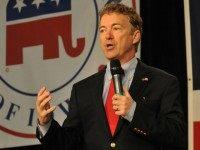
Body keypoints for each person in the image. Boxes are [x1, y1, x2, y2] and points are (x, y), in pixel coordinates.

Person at [36, 3, 186, 150]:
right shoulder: (83, 90)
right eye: (102, 30)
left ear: (135, 36)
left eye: (116, 28)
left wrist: (133, 111)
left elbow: (175, 134)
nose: (107, 36)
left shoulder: (162, 82)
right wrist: (46, 123)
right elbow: (68, 144)